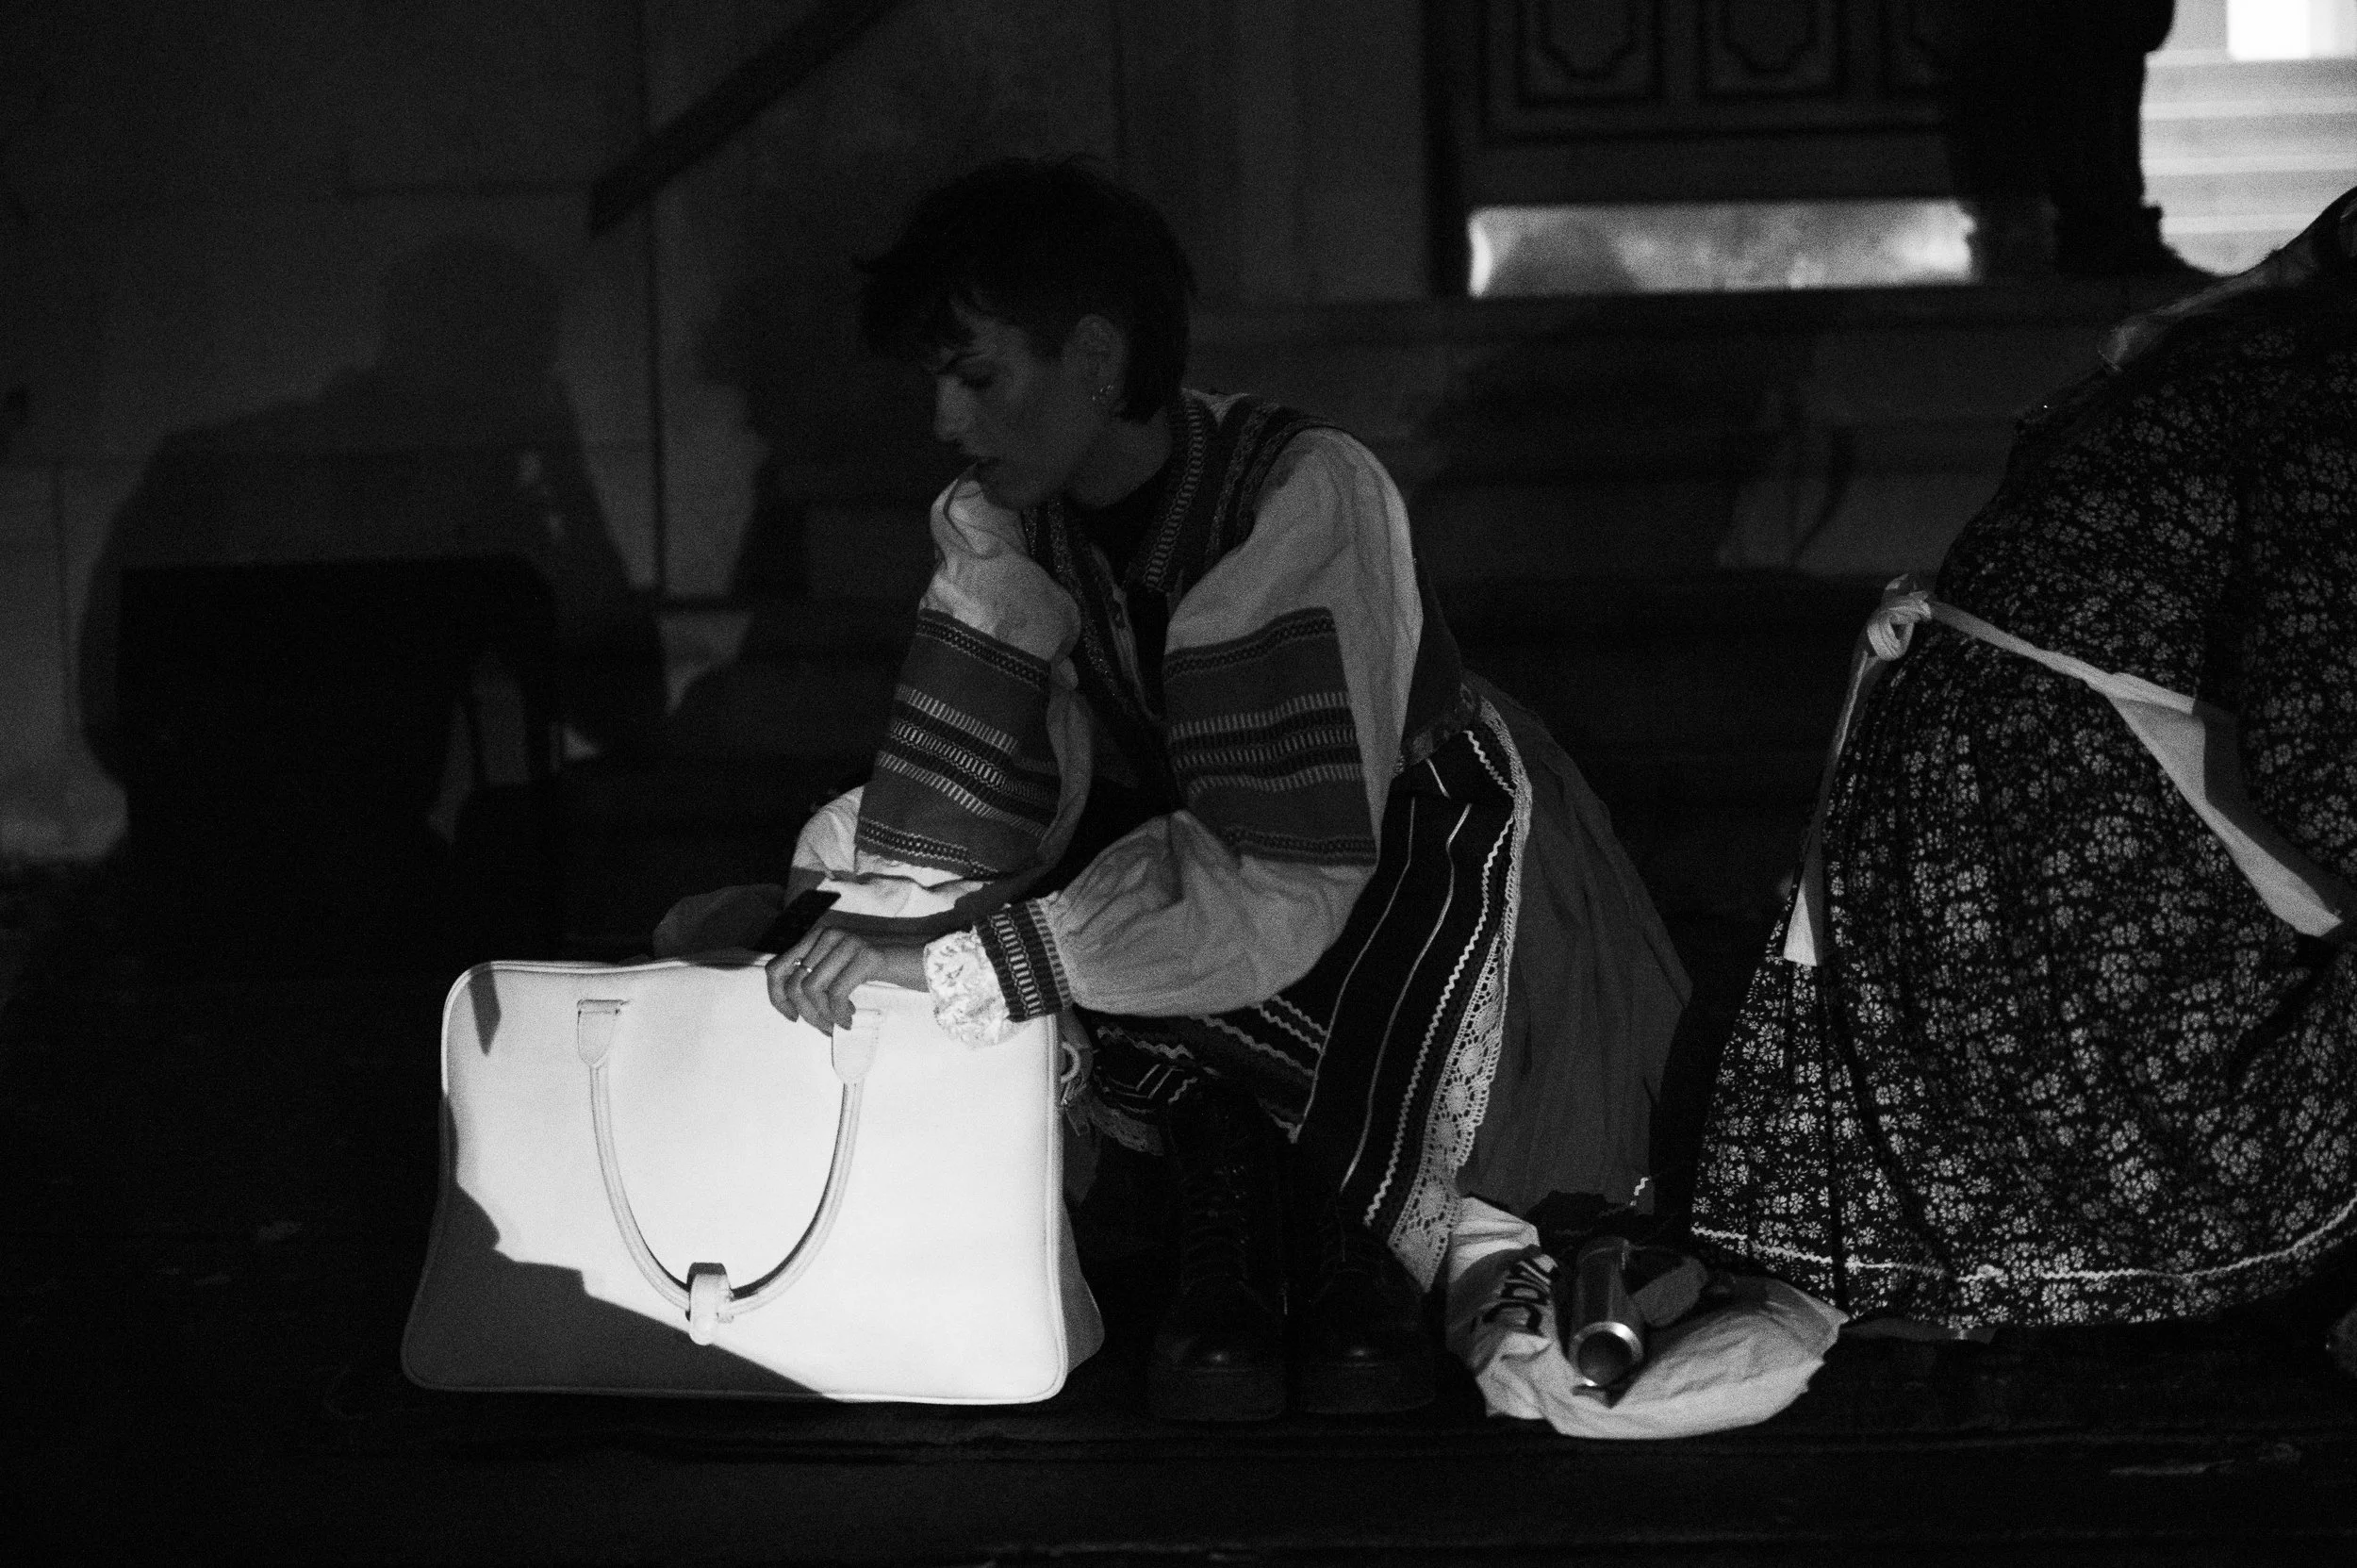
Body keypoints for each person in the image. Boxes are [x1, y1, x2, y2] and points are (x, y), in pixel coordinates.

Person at [740, 159, 1689, 1420]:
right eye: (939, 380)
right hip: (1215, 836)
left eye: (978, 376)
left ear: (1091, 355)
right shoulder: (1006, 524)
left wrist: (977, 958)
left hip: (1405, 830)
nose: (947, 422)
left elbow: (1284, 867)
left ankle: (1351, 1235)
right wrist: (893, 916)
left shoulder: (1302, 492)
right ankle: (1228, 1215)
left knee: (1292, 946)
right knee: (1032, 911)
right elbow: (969, 784)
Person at [1691, 188, 2357, 1337]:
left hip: (1971, 784)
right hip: (2046, 803)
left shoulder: (2240, 354)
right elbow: (2315, 726)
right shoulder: (2321, 391)